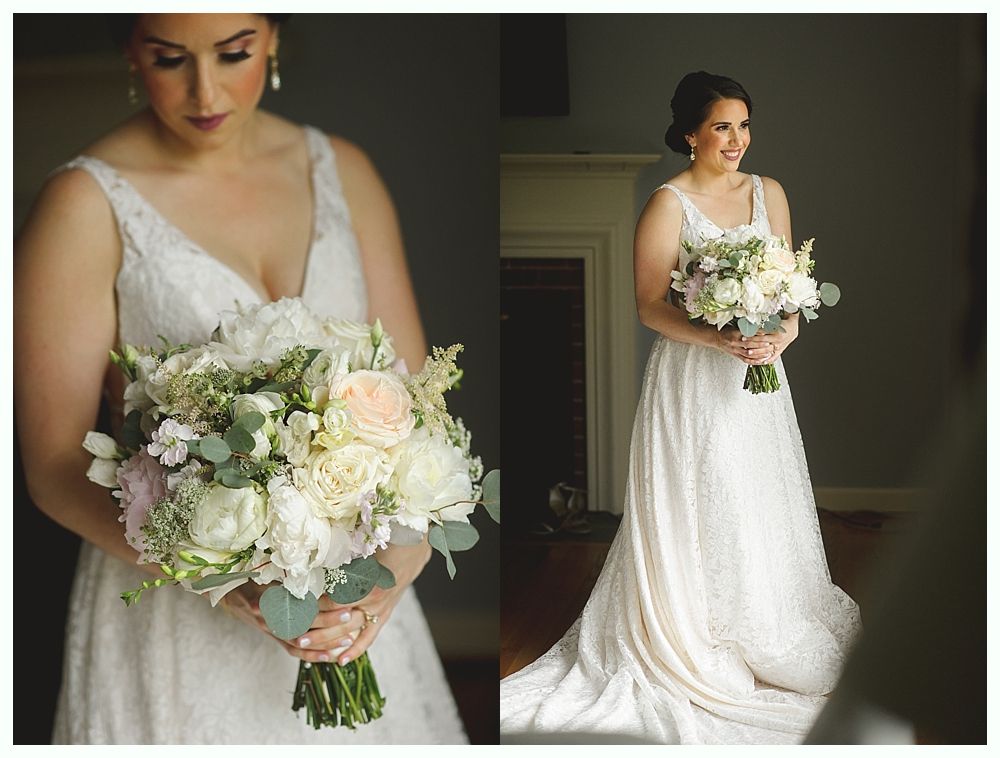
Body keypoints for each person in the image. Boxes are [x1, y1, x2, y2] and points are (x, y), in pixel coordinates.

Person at [14, 13, 465, 744]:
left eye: (233, 53)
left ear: (274, 38)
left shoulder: (345, 172)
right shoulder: (81, 205)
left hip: (353, 602)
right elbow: (53, 466)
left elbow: (418, 410)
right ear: (131, 52)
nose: (205, 92)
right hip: (172, 622)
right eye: (170, 59)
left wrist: (389, 578)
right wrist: (220, 578)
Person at [499, 71, 862, 744]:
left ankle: (767, 620)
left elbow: (791, 289)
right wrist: (721, 338)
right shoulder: (668, 204)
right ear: (691, 133)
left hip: (760, 374)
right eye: (722, 127)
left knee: (756, 496)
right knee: (706, 496)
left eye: (744, 125)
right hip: (695, 377)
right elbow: (648, 306)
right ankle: (696, 634)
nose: (737, 140)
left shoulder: (769, 193)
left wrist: (781, 335)